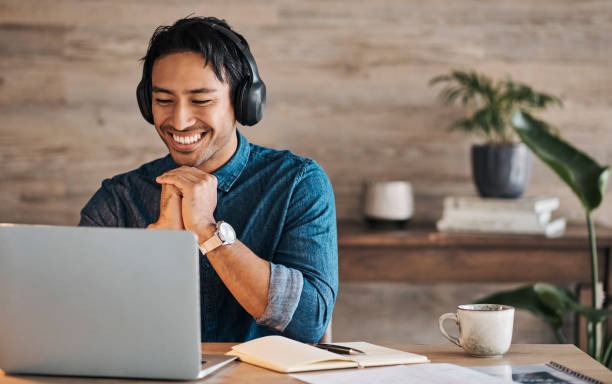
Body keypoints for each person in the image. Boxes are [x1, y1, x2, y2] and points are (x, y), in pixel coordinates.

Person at [79, 16, 337, 343]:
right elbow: (86, 324)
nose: (180, 120)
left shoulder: (297, 184)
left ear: (244, 102)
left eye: (201, 100)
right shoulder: (118, 200)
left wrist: (206, 231)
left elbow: (309, 321)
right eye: (163, 100)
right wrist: (159, 254)